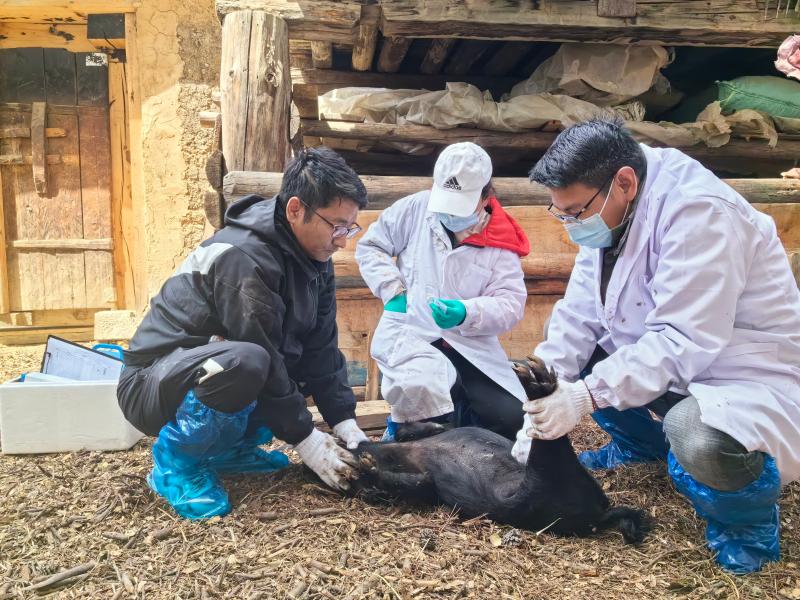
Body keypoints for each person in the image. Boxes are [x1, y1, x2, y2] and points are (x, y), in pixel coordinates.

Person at [511, 117, 800, 573]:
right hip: (675, 359)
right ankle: (641, 448)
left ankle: (746, 524)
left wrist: (584, 396)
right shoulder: (613, 205)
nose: (570, 225)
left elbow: (683, 340)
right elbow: (581, 312)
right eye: (560, 214)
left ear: (624, 183)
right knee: (586, 361)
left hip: (738, 373)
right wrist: (543, 392)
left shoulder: (701, 214)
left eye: (575, 212)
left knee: (697, 436)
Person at [117, 147, 371, 519]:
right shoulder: (243, 257)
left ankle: (229, 451)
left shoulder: (316, 258)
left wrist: (344, 420)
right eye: (336, 226)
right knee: (249, 361)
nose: (342, 240)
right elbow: (260, 350)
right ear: (295, 209)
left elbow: (320, 345)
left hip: (211, 367)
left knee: (282, 359)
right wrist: (308, 440)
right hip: (151, 383)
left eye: (350, 228)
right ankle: (175, 465)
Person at [356, 142, 530, 441]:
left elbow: (510, 303)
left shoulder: (500, 238)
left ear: (485, 197)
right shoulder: (415, 208)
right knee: (424, 404)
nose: (449, 213)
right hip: (413, 331)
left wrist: (467, 312)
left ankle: (463, 427)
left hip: (468, 342)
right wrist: (393, 290)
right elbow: (371, 246)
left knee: (512, 418)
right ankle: (401, 432)